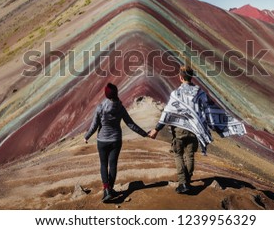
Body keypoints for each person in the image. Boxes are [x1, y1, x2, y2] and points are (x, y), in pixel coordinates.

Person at [148, 66, 213, 194]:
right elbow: (206, 110)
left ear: (181, 77)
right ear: (191, 77)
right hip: (195, 129)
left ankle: (183, 183)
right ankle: (187, 181)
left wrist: (156, 130)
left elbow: (167, 113)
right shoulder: (199, 92)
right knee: (190, 156)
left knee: (178, 154)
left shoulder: (176, 93)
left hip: (180, 130)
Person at [84, 83, 149, 202]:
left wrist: (86, 136)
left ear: (106, 94)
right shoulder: (120, 107)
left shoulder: (101, 107)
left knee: (104, 165)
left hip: (102, 141)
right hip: (116, 140)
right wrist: (144, 134)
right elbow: (130, 124)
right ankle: (110, 189)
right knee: (113, 165)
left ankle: (106, 190)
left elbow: (94, 126)